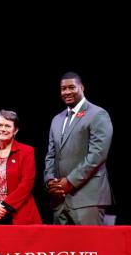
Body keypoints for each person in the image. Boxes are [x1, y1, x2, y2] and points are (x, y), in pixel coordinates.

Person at [44, 72, 113, 225]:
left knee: (89, 248)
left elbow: (97, 155)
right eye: (63, 89)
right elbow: (50, 155)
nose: (66, 92)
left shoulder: (97, 114)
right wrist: (50, 181)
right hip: (59, 200)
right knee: (61, 248)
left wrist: (70, 181)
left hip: (87, 199)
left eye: (71, 87)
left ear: (81, 87)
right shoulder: (57, 119)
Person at [0, 110, 42, 224]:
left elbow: (27, 183)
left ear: (15, 130)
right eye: (0, 125)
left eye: (7, 126)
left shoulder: (27, 151)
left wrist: (4, 207)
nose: (3, 129)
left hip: (18, 213)